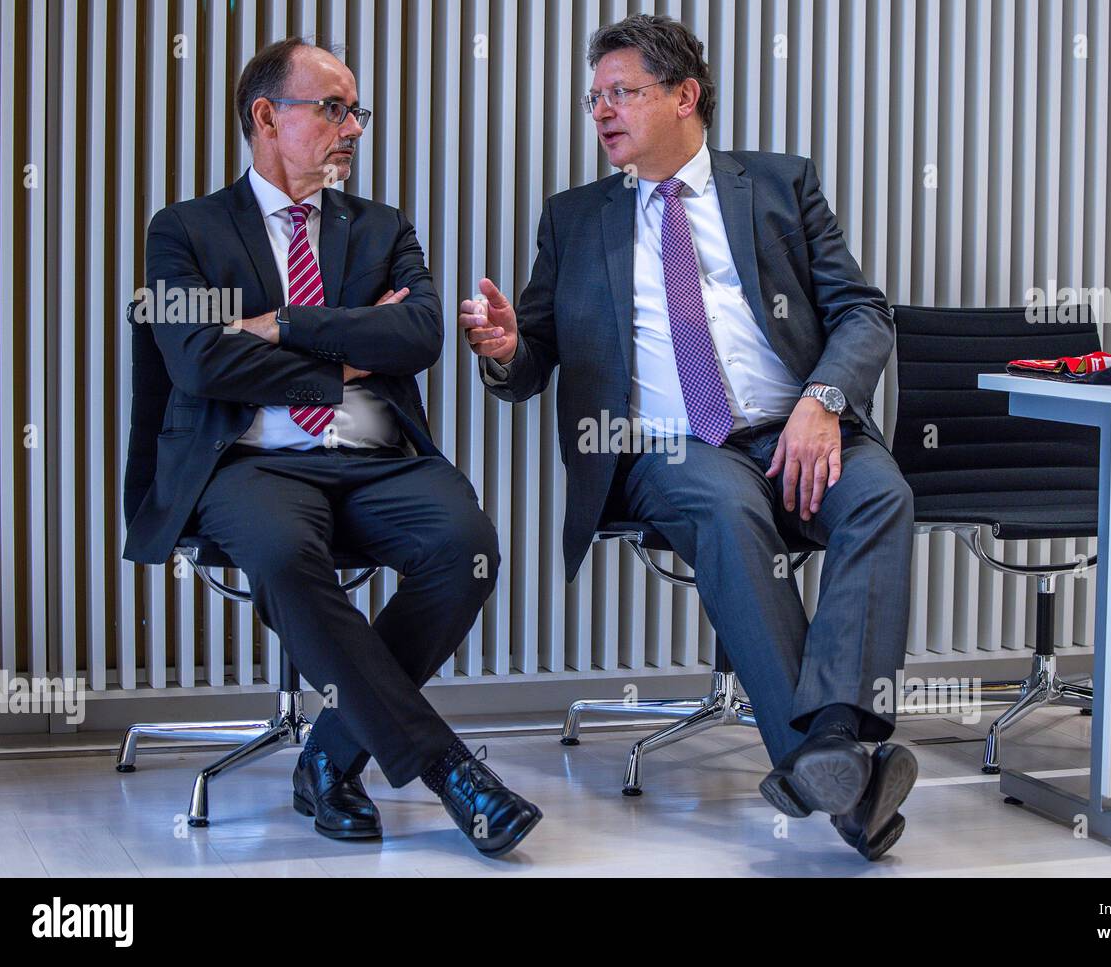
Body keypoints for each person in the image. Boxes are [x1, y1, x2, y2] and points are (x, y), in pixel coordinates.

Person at [461, 15, 916, 860]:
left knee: (882, 492)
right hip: (670, 448)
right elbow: (532, 362)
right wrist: (503, 347)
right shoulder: (576, 220)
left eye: (621, 92)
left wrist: (822, 399)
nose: (601, 110)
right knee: (721, 500)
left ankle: (831, 748)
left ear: (684, 96)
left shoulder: (780, 187)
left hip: (798, 424)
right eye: (594, 97)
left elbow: (862, 309)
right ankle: (832, 762)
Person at [124, 38, 540, 857]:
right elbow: (195, 358)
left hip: (379, 457)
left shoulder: (381, 227)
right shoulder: (187, 229)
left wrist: (280, 325)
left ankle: (327, 756)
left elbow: (417, 332)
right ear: (267, 117)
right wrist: (348, 354)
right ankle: (450, 770)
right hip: (248, 461)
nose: (353, 127)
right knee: (281, 549)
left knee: (468, 547)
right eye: (334, 108)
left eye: (358, 111)